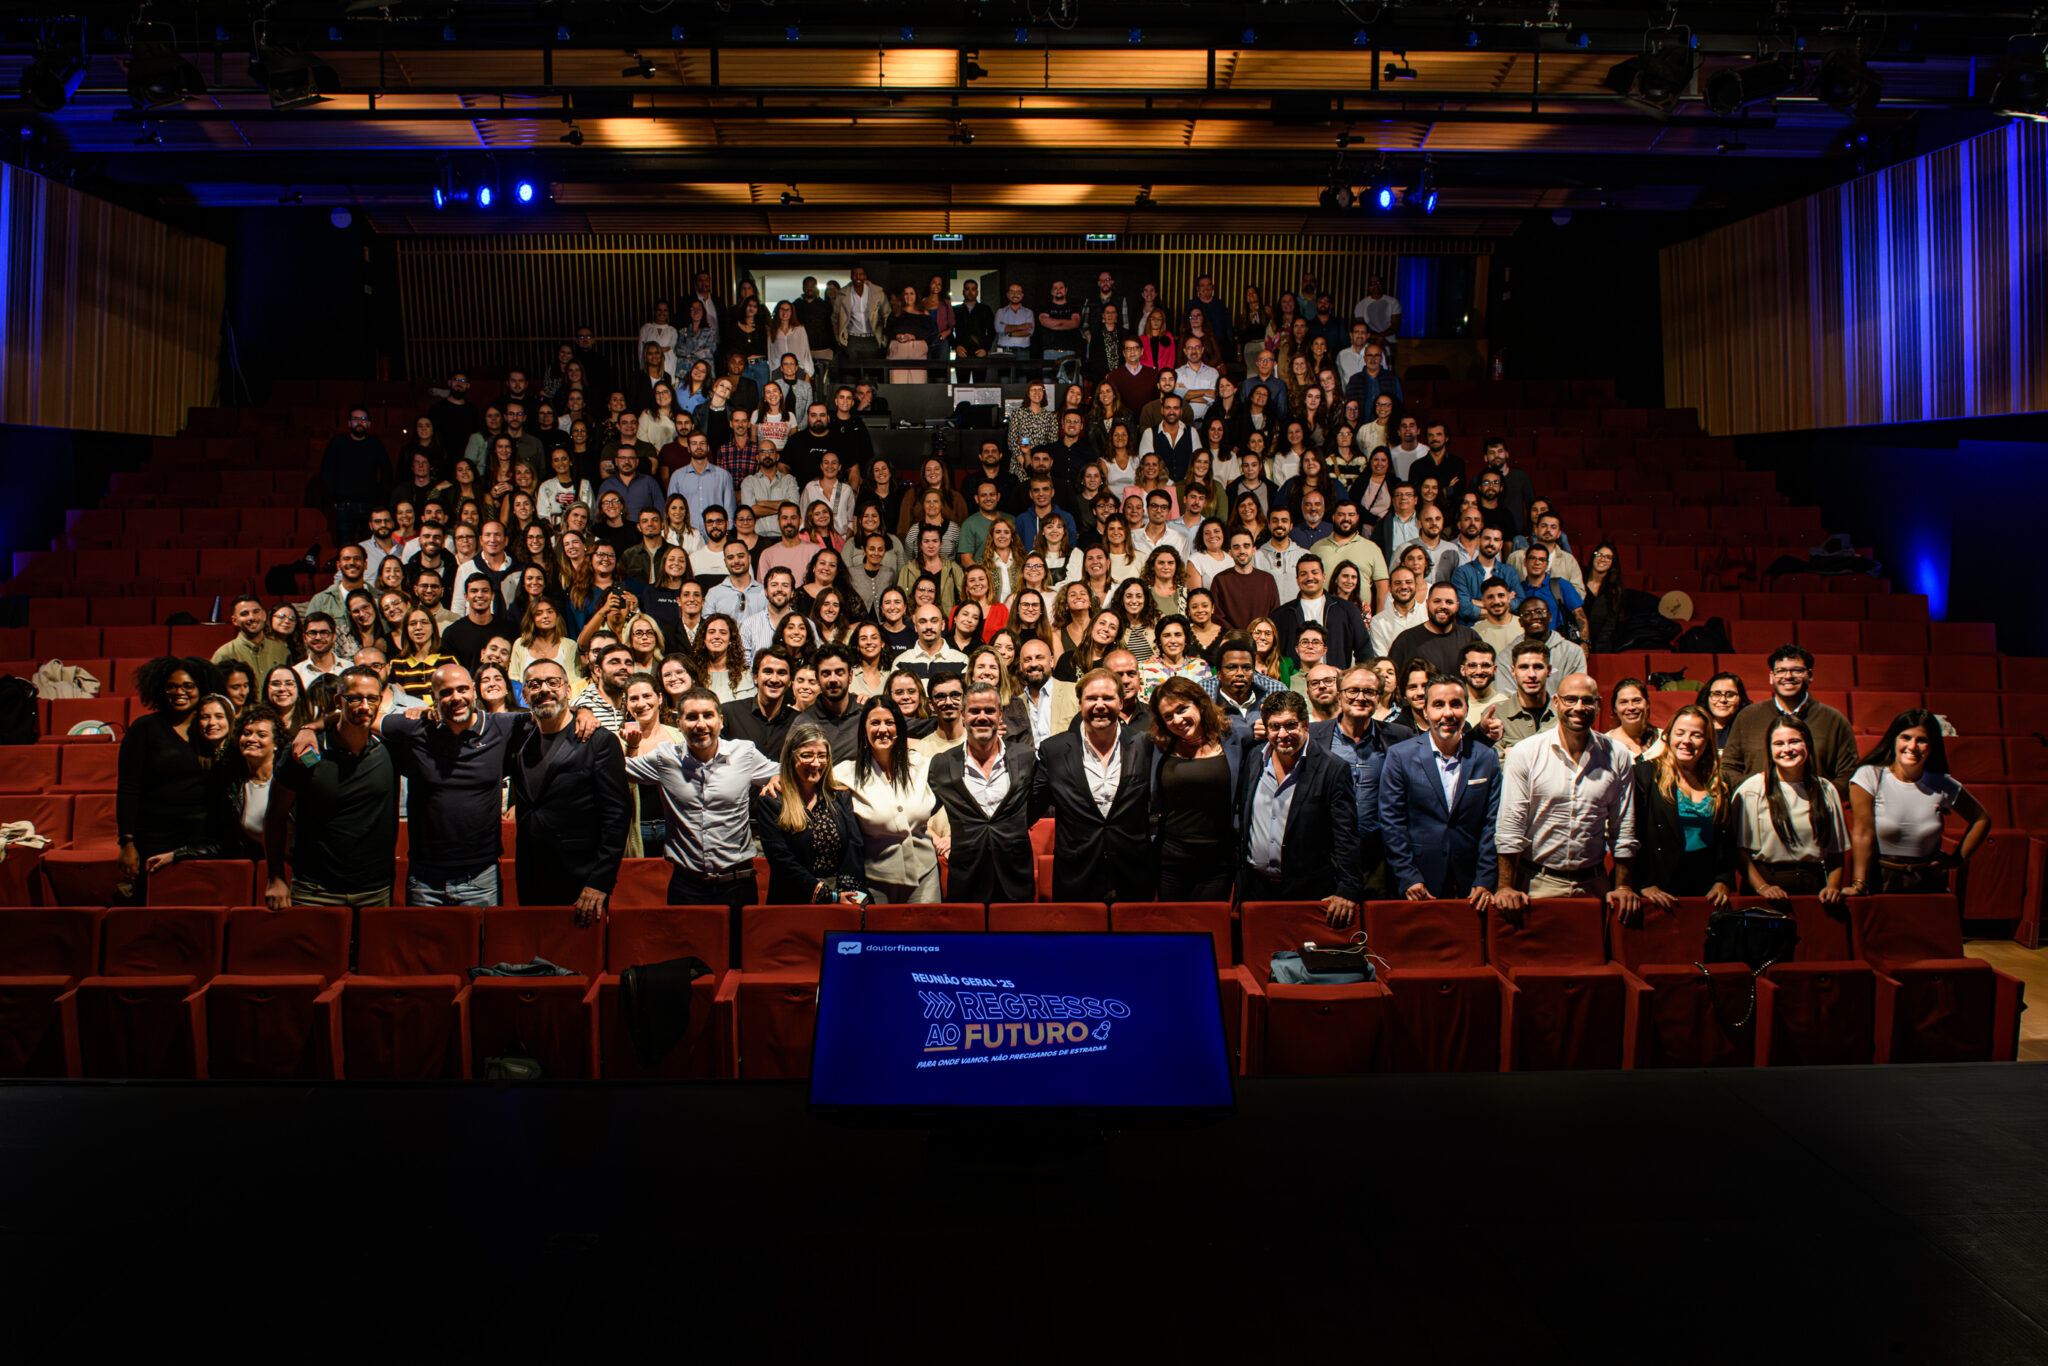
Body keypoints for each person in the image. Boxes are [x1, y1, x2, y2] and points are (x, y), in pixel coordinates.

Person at [623, 687, 782, 954]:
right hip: (687, 887)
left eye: (708, 715)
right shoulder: (665, 758)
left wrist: (777, 777)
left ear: (721, 720)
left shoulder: (744, 753)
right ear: (678, 722)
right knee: (686, 966)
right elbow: (617, 769)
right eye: (692, 717)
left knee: (738, 962)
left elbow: (786, 772)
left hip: (738, 885)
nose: (701, 724)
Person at [1493, 672, 1641, 915]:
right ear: (1556, 702)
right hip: (1538, 883)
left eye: (1587, 700)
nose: (1579, 707)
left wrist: (1623, 885)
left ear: (1599, 705)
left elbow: (1623, 825)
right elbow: (1511, 825)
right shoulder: (1525, 753)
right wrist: (1505, 886)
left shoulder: (1618, 754)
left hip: (1594, 883)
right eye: (1570, 699)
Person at [263, 666, 400, 909]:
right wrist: (275, 878)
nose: (365, 706)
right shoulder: (307, 752)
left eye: (372, 699)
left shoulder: (390, 748)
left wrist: (310, 725)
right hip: (315, 891)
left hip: (375, 891)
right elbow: (275, 816)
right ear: (338, 701)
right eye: (355, 698)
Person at [503, 659, 630, 921]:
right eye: (534, 684)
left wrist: (600, 882)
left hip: (582, 880)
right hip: (531, 877)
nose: (544, 689)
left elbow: (617, 817)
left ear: (568, 690)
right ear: (524, 694)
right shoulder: (519, 737)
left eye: (553, 682)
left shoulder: (600, 741)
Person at [1028, 668, 1153, 903]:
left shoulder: (1145, 745)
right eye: (1092, 698)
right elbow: (1030, 809)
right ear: (1080, 704)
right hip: (1076, 877)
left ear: (1121, 702)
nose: (1100, 705)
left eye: (1107, 698)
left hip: (1133, 875)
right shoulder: (1053, 751)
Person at [1237, 690, 1360, 925]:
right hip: (1255, 890)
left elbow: (1346, 835)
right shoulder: (1254, 758)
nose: (1283, 734)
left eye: (1290, 725)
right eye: (1275, 727)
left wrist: (1348, 888)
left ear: (1305, 724)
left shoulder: (1332, 768)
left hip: (1307, 891)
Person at [1378, 673, 1500, 905]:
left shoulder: (1486, 757)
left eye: (1456, 704)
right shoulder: (1400, 756)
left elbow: (1491, 824)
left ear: (1466, 709)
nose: (1448, 713)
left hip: (1471, 881)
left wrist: (1485, 878)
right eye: (1438, 705)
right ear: (1425, 711)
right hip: (1418, 880)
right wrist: (1408, 876)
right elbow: (1392, 822)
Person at [1847, 709, 1992, 896]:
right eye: (1906, 738)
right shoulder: (1870, 775)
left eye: (1922, 740)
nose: (1913, 746)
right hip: (1882, 881)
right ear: (1894, 740)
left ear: (1932, 747)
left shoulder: (1943, 783)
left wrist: (1957, 860)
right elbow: (1862, 833)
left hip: (1928, 883)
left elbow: (1981, 819)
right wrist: (1859, 884)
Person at [115, 657, 225, 893]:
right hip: (154, 837)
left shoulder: (212, 727)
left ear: (201, 688)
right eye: (171, 686)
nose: (179, 692)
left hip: (202, 837)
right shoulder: (144, 728)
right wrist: (127, 842)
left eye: (188, 686)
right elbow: (128, 788)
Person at [926, 681, 1037, 903]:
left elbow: (1037, 804)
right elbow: (919, 812)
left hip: (1015, 876)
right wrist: (938, 840)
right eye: (975, 711)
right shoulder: (943, 763)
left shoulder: (1025, 757)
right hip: (966, 878)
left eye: (989, 710)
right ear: (963, 715)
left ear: (1000, 714)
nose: (982, 717)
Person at [1311, 665, 1415, 898]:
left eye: (1369, 691)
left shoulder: (1400, 736)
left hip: (1379, 857)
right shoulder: (1313, 736)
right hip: (1328, 855)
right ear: (1339, 696)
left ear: (1378, 698)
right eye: (1353, 691)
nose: (1361, 697)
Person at [1627, 704, 1738, 913]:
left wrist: (1723, 879)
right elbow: (1630, 832)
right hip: (1659, 886)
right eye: (1680, 733)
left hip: (1705, 889)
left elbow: (1727, 839)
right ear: (1668, 736)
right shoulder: (1645, 774)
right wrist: (1644, 883)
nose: (1687, 740)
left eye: (1696, 735)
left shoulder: (1720, 781)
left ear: (1707, 741)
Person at [1731, 713, 1850, 904]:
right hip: (1766, 887)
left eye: (1794, 741)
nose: (1787, 749)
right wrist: (1763, 887)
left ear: (1807, 745)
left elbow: (1836, 852)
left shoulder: (1826, 789)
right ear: (1769, 750)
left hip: (1813, 885)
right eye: (1779, 744)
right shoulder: (1751, 790)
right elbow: (1739, 852)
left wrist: (1833, 886)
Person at [835, 695, 942, 904]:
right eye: (875, 723)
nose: (882, 729)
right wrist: (777, 778)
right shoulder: (845, 774)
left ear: (899, 728)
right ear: (864, 730)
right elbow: (807, 776)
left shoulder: (922, 765)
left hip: (926, 876)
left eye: (889, 722)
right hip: (875, 881)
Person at [1719, 644, 1858, 798]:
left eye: (1797, 670)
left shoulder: (1834, 720)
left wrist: (1818, 798)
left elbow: (1848, 774)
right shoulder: (1748, 716)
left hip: (1814, 807)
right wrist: (1755, 792)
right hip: (1758, 805)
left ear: (1810, 675)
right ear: (1771, 677)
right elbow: (1729, 768)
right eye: (1781, 671)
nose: (1788, 676)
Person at [754, 724, 868, 906]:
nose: (816, 763)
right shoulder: (772, 801)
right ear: (791, 757)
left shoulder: (840, 795)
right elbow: (781, 859)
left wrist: (848, 893)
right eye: (807, 755)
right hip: (793, 901)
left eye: (822, 756)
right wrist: (827, 895)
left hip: (842, 899)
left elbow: (854, 847)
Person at [1606, 677, 1666, 764]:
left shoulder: (1664, 739)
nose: (1631, 707)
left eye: (1637, 700)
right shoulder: (1606, 745)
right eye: (1624, 702)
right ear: (1615, 708)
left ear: (1647, 703)